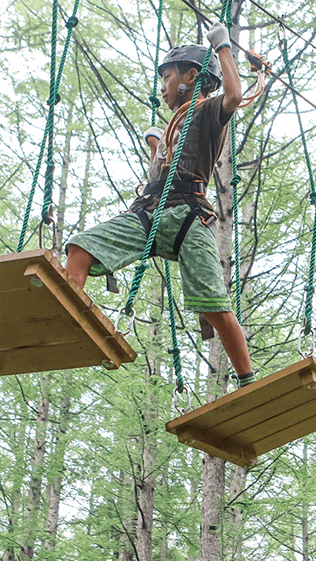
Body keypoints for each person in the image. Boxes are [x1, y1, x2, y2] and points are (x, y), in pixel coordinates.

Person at [65, 25, 254, 387]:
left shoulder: (208, 110)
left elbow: (234, 95)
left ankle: (247, 380)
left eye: (167, 76)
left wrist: (223, 47)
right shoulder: (175, 125)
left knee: (214, 305)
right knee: (80, 246)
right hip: (150, 212)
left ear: (191, 77)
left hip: (189, 216)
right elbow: (166, 164)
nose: (163, 86)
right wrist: (156, 143)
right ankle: (68, 315)